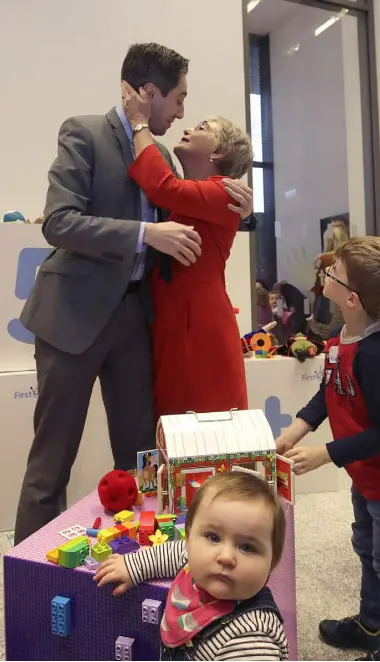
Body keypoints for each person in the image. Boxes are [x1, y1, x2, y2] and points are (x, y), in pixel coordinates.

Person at [14, 43, 254, 545]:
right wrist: (146, 234)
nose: (183, 111)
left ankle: (137, 564)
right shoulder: (83, 132)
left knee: (142, 455)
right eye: (179, 98)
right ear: (150, 93)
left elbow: (192, 210)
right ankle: (30, 582)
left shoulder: (161, 155)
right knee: (51, 461)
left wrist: (241, 206)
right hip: (71, 320)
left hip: (135, 321)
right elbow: (59, 222)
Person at [275, 236, 380, 661]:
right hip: (367, 470)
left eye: (334, 273)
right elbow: (329, 393)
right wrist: (296, 430)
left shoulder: (379, 355)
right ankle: (371, 626)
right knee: (367, 547)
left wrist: (325, 453)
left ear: (353, 298)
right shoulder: (341, 338)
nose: (325, 274)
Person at [121, 81, 251, 416]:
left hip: (199, 327)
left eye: (203, 127)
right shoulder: (198, 195)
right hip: (174, 319)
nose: (190, 127)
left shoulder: (223, 191)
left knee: (203, 428)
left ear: (218, 152)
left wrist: (139, 124)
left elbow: (162, 187)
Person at [94, 471, 288, 661]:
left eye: (247, 547)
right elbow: (173, 553)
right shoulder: (194, 557)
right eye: (213, 537)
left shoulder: (249, 641)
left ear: (273, 562)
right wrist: (133, 565)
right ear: (189, 537)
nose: (226, 557)